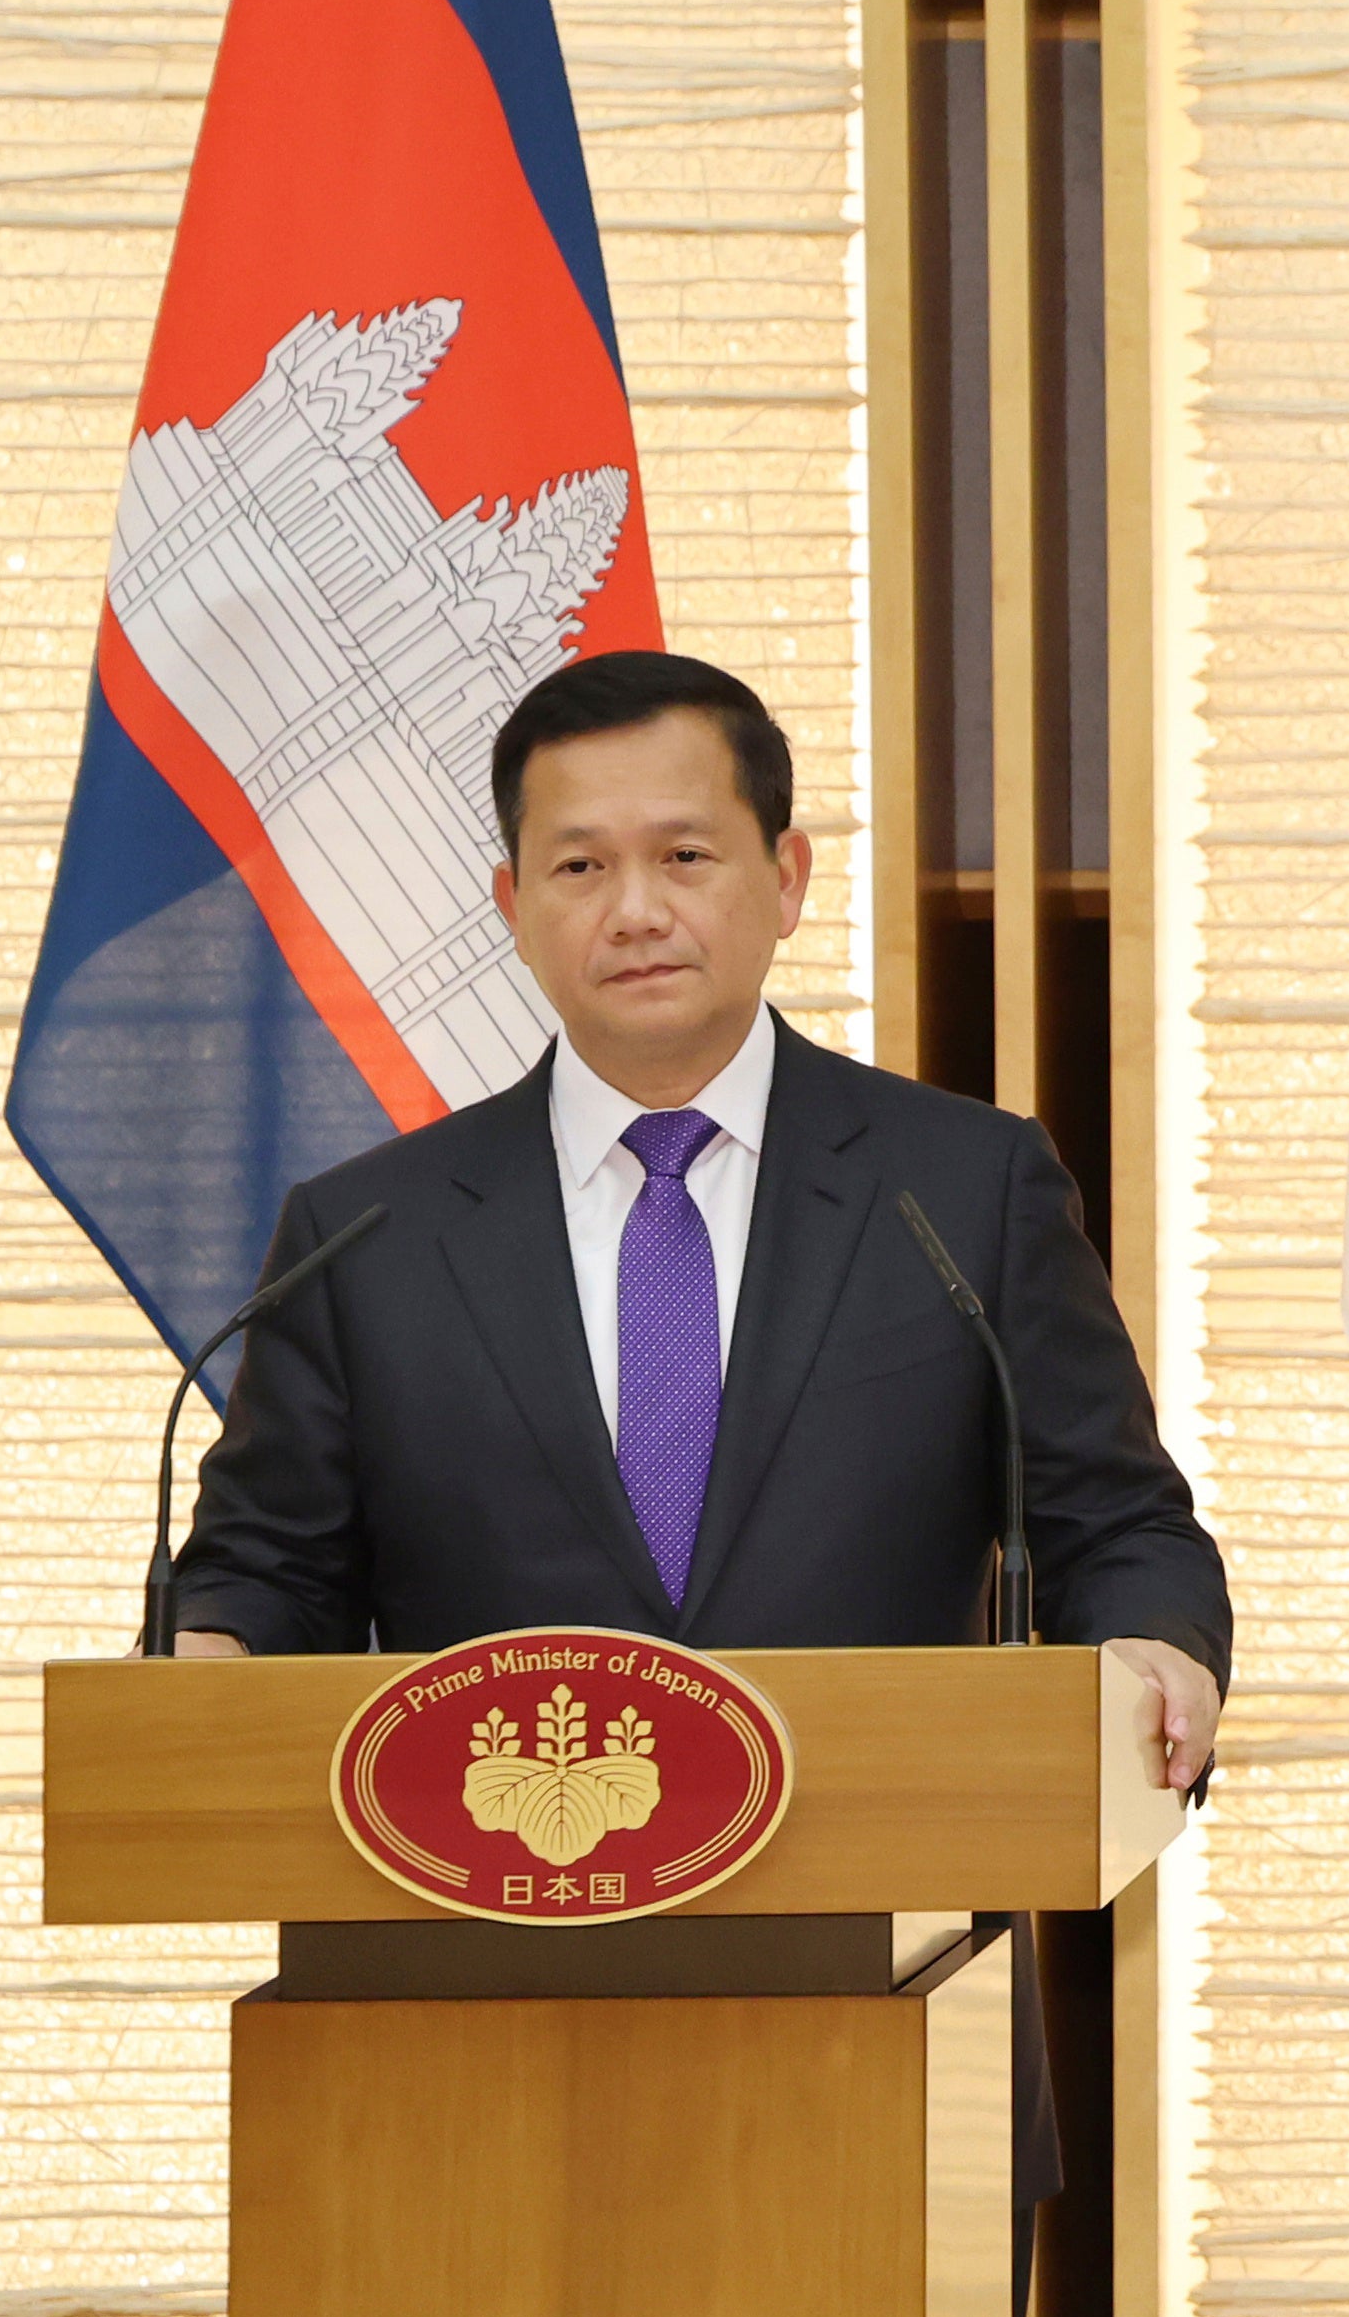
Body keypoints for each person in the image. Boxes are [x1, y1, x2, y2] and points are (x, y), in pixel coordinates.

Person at [167, 651, 1229, 1793]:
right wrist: (210, 1652)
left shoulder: (962, 1191)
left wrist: (1151, 1643)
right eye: (580, 865)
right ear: (513, 907)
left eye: (683, 856)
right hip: (498, 1871)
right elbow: (266, 1570)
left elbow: (1117, 1524)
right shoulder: (363, 1236)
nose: (635, 912)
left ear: (785, 878)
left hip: (882, 1850)